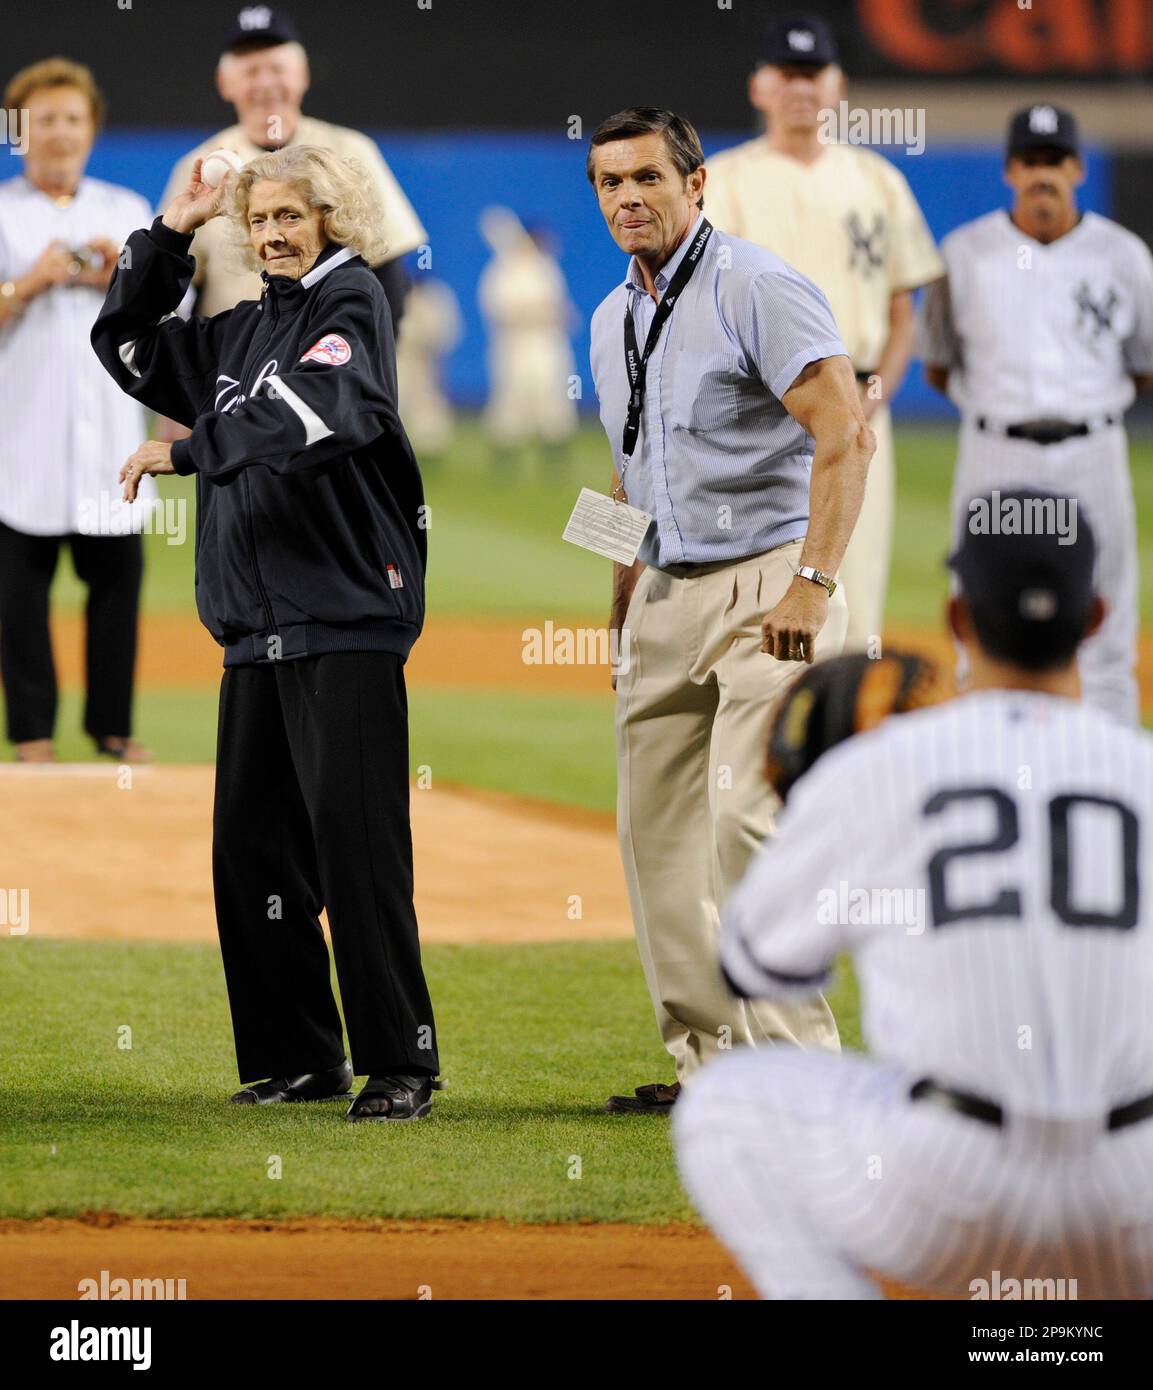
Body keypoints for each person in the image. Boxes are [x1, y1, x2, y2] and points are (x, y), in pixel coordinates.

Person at [676, 492, 1153, 1300]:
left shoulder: (887, 763)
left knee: (721, 1106)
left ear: (957, 619)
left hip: (942, 1193)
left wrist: (823, 815)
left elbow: (755, 966)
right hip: (1133, 1201)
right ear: (1098, 616)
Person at [91, 144, 440, 1122]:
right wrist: (168, 235)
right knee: (253, 856)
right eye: (263, 219)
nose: (275, 232)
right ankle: (299, 1056)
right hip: (255, 628)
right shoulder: (239, 329)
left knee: (356, 848)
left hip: (345, 614)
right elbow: (123, 344)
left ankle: (400, 1061)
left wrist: (189, 449)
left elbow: (324, 410)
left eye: (293, 215)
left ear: (333, 217)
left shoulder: (354, 304)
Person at [587, 107, 874, 1113]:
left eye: (646, 179)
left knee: (744, 824)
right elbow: (627, 475)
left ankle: (801, 1069)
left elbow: (846, 432)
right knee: (653, 834)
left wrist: (814, 582)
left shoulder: (755, 285)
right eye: (608, 183)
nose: (627, 198)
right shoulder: (608, 316)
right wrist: (618, 607)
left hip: (766, 586)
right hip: (664, 592)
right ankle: (709, 1067)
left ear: (695, 183)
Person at [706, 14, 944, 654]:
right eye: (786, 73)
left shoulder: (877, 181)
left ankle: (842, 744)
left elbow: (904, 309)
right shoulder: (722, 179)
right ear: (758, 86)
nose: (800, 87)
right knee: (765, 594)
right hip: (761, 416)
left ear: (837, 86)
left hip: (862, 406)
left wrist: (872, 401)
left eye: (813, 74)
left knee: (858, 595)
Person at [920, 103, 1153, 726]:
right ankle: (985, 762)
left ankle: (1108, 774)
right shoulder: (965, 253)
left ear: (1077, 167)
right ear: (1010, 170)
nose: (1042, 174)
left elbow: (1143, 363)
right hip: (997, 450)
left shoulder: (1124, 256)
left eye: (1055, 160)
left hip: (1092, 452)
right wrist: (1002, 409)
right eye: (1031, 161)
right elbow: (938, 363)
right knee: (982, 613)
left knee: (1106, 628)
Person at [155, 5, 425, 445]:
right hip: (235, 384)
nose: (265, 82)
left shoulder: (351, 151)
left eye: (278, 67)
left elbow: (389, 278)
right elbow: (182, 291)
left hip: (334, 378)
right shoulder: (199, 168)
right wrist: (176, 394)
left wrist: (374, 370)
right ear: (226, 83)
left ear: (302, 76)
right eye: (250, 69)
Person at [0, 57, 156, 764]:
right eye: (44, 119)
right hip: (18, 441)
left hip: (108, 443)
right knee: (18, 598)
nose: (60, 133)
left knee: (116, 588)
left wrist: (112, 275)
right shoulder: (4, 212)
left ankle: (112, 728)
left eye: (72, 118)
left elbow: (164, 312)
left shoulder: (122, 210)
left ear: (92, 128)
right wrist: (26, 284)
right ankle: (33, 736)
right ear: (18, 131)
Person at [478, 207, 578, 465]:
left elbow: (560, 307)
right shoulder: (503, 268)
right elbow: (498, 309)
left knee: (552, 398)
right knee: (512, 398)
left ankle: (554, 457)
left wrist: (555, 314)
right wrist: (532, 312)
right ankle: (505, 457)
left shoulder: (546, 268)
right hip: (515, 345)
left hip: (547, 343)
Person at [395, 275, 462, 461]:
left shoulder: (435, 298)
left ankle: (430, 450)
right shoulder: (398, 295)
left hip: (426, 362)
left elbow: (445, 334)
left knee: (428, 405)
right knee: (398, 402)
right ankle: (394, 451)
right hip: (401, 358)